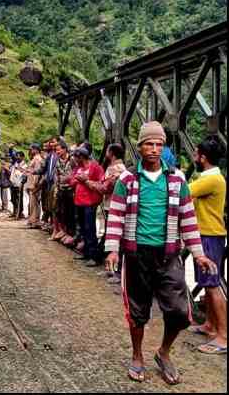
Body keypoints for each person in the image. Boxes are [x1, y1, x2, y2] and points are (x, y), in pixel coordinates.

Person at [104, 121, 220, 384]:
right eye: (149, 144)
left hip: (168, 255)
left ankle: (163, 352)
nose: (154, 149)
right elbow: (116, 216)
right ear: (140, 147)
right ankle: (137, 355)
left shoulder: (177, 179)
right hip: (136, 255)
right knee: (137, 311)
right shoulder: (128, 179)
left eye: (159, 144)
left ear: (163, 147)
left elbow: (188, 218)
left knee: (180, 312)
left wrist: (198, 253)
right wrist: (112, 249)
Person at [187, 136, 227, 355]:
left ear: (202, 157)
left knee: (212, 285)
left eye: (195, 153)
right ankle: (210, 325)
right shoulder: (212, 177)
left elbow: (184, 190)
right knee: (208, 283)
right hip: (208, 234)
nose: (194, 156)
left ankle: (223, 336)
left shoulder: (211, 179)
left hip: (210, 235)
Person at [90, 143, 126, 285]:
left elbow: (106, 187)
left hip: (112, 205)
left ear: (112, 153)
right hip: (110, 205)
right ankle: (110, 267)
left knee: (112, 236)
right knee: (109, 235)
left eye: (108, 151)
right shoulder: (119, 168)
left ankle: (113, 269)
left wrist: (89, 183)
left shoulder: (116, 169)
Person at [69, 147, 104, 266]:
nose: (74, 159)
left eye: (76, 157)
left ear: (81, 157)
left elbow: (101, 184)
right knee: (83, 228)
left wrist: (86, 180)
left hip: (90, 203)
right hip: (78, 202)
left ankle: (94, 256)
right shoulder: (78, 168)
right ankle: (86, 253)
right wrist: (77, 180)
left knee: (90, 228)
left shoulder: (95, 167)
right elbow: (72, 181)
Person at [25, 144, 45, 228]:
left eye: (32, 149)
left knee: (34, 203)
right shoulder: (35, 158)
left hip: (34, 184)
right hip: (31, 184)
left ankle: (35, 221)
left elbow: (37, 173)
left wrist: (35, 184)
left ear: (36, 150)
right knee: (32, 203)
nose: (30, 150)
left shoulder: (37, 159)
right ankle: (32, 220)